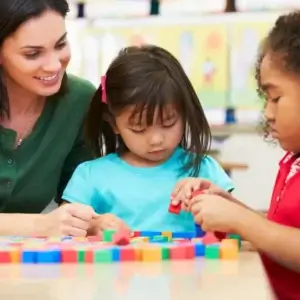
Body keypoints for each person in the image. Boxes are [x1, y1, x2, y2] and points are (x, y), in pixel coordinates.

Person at [171, 11, 300, 300]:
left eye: (276, 98)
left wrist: (241, 221)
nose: (267, 112)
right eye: (265, 99)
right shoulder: (293, 161)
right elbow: (281, 232)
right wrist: (230, 208)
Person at [61, 45, 234, 234]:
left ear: (185, 112)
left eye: (168, 123)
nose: (156, 139)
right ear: (114, 123)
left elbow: (240, 226)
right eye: (139, 128)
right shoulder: (91, 176)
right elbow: (63, 228)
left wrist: (212, 199)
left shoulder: (203, 170)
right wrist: (94, 226)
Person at [0, 0, 97, 237]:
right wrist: (40, 226)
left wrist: (94, 221)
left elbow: (76, 199)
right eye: (32, 54)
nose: (54, 65)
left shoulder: (78, 100)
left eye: (61, 44)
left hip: (29, 265)